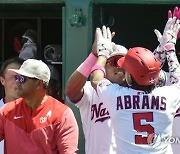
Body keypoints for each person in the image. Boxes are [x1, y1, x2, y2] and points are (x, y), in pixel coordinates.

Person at [90, 16, 180, 153]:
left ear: (130, 77)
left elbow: (95, 79)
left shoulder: (116, 95)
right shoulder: (168, 95)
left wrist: (103, 54)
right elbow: (168, 76)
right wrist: (168, 48)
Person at [0, 59, 79, 154]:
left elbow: (68, 151)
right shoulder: (6, 111)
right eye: (17, 78)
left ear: (38, 83)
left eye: (22, 79)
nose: (17, 82)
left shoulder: (62, 114)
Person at [66, 35, 127, 153]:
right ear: (103, 65)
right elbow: (71, 92)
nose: (120, 67)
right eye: (114, 61)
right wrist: (94, 56)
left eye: (123, 62)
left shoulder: (135, 93)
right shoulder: (90, 90)